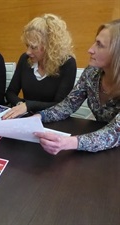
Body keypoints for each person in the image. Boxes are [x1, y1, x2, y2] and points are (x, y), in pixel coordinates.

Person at [34, 19, 120, 154]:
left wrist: (66, 142)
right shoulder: (91, 73)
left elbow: (115, 133)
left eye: (99, 45)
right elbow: (68, 105)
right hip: (99, 147)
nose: (90, 49)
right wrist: (39, 117)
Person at [2, 14, 77, 119]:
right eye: (27, 45)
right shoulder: (25, 59)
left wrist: (28, 106)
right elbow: (10, 93)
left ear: (50, 46)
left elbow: (60, 105)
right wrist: (20, 105)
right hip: (27, 119)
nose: (28, 52)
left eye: (33, 47)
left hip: (53, 121)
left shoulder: (67, 64)